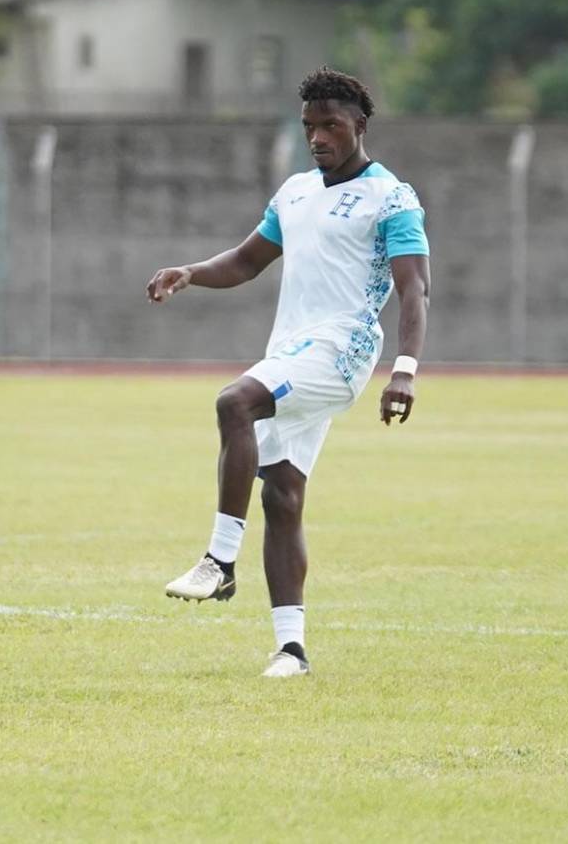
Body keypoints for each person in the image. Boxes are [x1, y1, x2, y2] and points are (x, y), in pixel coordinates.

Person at [146, 66, 430, 678]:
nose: (318, 137)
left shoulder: (392, 197)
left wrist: (404, 369)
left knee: (234, 402)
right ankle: (292, 650)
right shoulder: (296, 192)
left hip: (344, 348)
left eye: (330, 125)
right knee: (282, 495)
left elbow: (415, 289)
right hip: (293, 352)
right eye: (309, 127)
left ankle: (220, 561)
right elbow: (248, 262)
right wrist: (191, 272)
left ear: (359, 125)